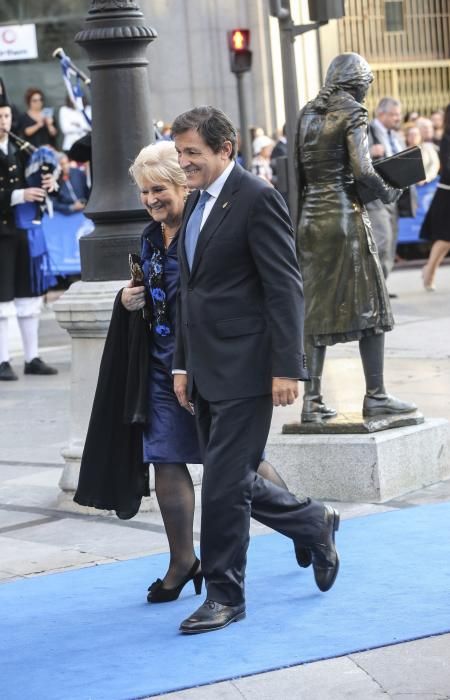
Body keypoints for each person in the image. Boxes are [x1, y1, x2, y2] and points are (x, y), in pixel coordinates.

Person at [74, 140, 309, 602]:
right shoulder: (149, 235)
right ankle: (183, 561)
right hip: (162, 365)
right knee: (163, 454)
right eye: (143, 192)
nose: (150, 200)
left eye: (158, 189)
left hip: (213, 362)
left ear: (183, 184)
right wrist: (127, 299)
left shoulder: (208, 227)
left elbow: (274, 287)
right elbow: (153, 288)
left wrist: (282, 364)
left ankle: (303, 525)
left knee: (238, 462)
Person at [171, 105, 340, 635]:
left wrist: (288, 367)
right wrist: (181, 364)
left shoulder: (257, 198)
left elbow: (284, 286)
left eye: (192, 153)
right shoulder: (195, 204)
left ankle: (226, 595)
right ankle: (314, 521)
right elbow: (190, 294)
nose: (184, 163)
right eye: (179, 153)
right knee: (232, 479)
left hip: (248, 370)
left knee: (222, 487)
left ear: (226, 150)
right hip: (204, 370)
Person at [295, 53, 416, 423]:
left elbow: (300, 175)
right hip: (345, 218)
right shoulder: (352, 111)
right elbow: (363, 170)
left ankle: (312, 401)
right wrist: (390, 191)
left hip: (311, 220)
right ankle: (375, 394)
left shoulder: (306, 114)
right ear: (357, 81)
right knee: (372, 305)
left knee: (314, 310)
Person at [0, 88, 58, 381]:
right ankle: (2, 360)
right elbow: (16, 190)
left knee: (28, 296)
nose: (3, 121)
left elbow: (40, 177)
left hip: (25, 230)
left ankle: (32, 357)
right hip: (2, 233)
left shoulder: (22, 148)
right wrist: (17, 194)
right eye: (0, 116)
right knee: (2, 299)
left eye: (7, 115)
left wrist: (47, 182)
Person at [366, 97, 404, 281]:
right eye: (394, 114)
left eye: (399, 114)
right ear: (381, 113)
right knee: (382, 240)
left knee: (390, 244)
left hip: (394, 195)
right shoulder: (367, 131)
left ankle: (382, 286)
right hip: (376, 197)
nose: (398, 118)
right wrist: (370, 153)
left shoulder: (396, 136)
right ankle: (375, 286)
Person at [420, 104, 450, 291]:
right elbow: (447, 169)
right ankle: (429, 271)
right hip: (447, 193)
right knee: (445, 239)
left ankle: (428, 271)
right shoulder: (446, 139)